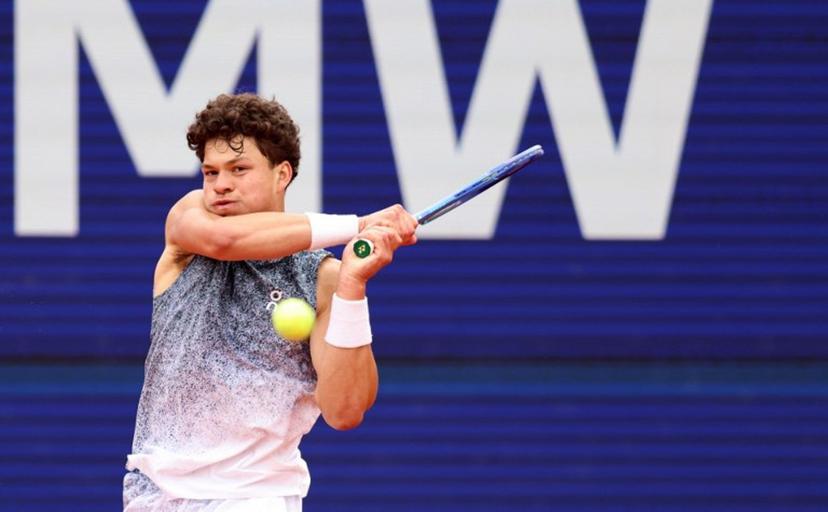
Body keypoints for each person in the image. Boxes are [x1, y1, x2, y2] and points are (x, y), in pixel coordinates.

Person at [123, 93, 418, 511]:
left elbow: (345, 410)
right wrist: (359, 224)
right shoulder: (189, 223)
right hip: (154, 497)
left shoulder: (322, 279)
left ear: (283, 174)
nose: (220, 184)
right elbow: (227, 240)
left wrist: (352, 284)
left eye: (239, 169)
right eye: (210, 172)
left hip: (253, 499)